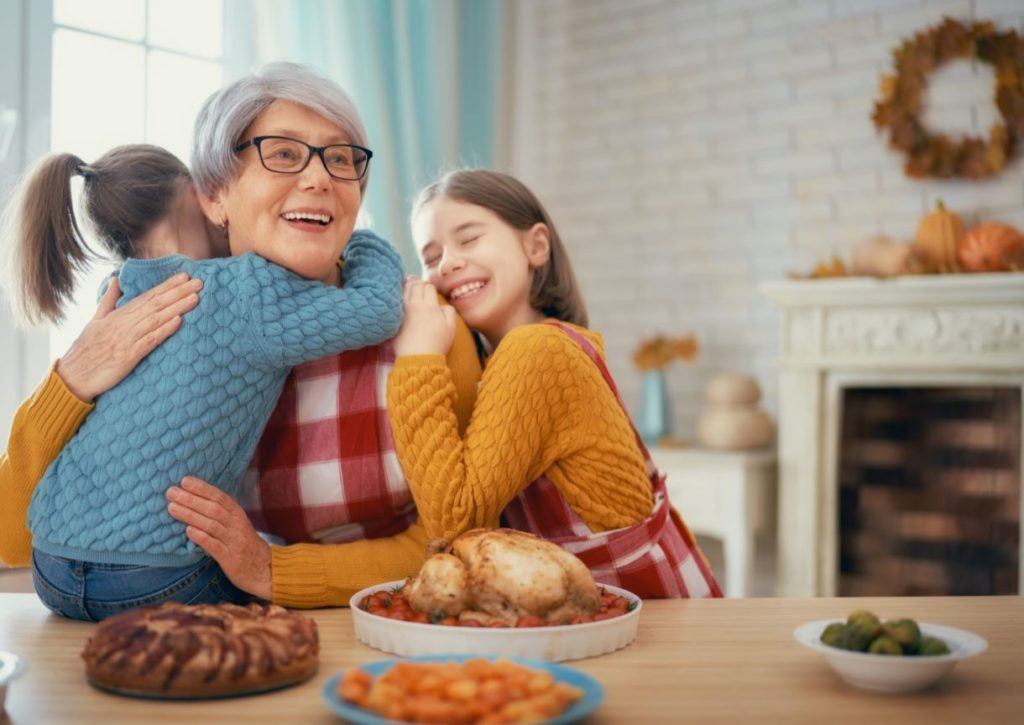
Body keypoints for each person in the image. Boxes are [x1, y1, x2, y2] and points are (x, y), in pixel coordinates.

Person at [0, 62, 482, 611]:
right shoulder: (139, 325)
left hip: (371, 633)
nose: (320, 177)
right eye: (282, 153)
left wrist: (274, 570)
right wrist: (71, 382)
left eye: (341, 158)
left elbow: (456, 541)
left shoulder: (429, 327)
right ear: (213, 195)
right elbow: (12, 537)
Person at [387, 169, 722, 598]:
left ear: (536, 245)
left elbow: (453, 525)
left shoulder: (538, 352)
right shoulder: (534, 351)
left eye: (469, 239)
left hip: (653, 620)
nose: (448, 263)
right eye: (430, 257)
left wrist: (417, 358)